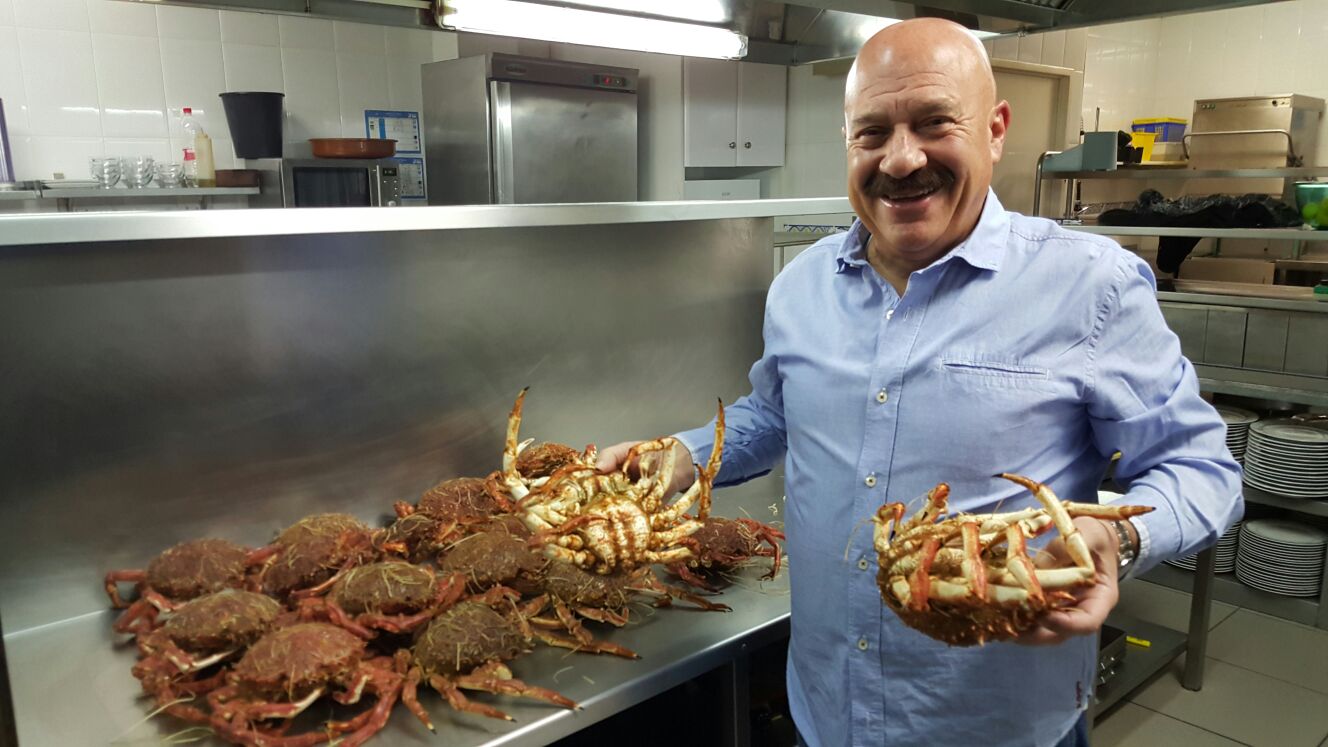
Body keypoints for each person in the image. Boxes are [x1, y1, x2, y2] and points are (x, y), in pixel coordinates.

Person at [596, 17, 1243, 747]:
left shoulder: (1088, 287)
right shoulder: (800, 286)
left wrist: (1117, 539)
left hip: (996, 727)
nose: (901, 160)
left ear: (995, 130)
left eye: (935, 122)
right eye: (872, 133)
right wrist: (682, 455)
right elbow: (776, 415)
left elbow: (1202, 469)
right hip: (827, 712)